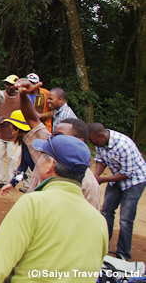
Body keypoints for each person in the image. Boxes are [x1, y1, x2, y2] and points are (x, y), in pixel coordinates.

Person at [0, 135, 108, 283]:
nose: (37, 163)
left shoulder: (33, 204)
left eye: (40, 157)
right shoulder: (99, 221)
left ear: (50, 164)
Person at [14, 78, 102, 209]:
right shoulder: (49, 150)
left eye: (59, 135)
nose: (53, 138)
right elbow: (32, 118)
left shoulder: (88, 184)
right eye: (54, 134)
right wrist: (23, 94)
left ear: (79, 142)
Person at [88, 123, 146, 261]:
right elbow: (101, 160)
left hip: (135, 181)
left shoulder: (123, 145)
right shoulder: (99, 141)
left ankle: (123, 254)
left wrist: (103, 179)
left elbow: (128, 173)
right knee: (106, 212)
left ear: (102, 136)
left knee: (126, 219)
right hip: (116, 178)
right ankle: (103, 246)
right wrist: (97, 175)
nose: (94, 144)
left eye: (95, 142)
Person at [0, 74, 21, 188]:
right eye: (6, 83)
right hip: (1, 133)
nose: (7, 86)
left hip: (15, 135)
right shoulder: (1, 95)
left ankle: (9, 182)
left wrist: (12, 122)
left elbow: (25, 115)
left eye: (10, 84)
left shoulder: (21, 98)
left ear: (16, 86)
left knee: (12, 159)